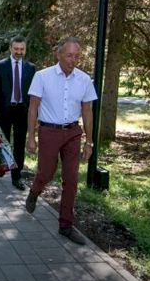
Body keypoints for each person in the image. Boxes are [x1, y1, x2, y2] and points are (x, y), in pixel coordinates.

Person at [24, 37, 97, 245]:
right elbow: (33, 108)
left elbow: (87, 111)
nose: (73, 60)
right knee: (46, 173)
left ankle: (65, 225)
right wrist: (31, 137)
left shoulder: (84, 79)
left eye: (76, 56)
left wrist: (89, 142)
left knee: (71, 179)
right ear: (58, 55)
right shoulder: (42, 76)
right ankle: (34, 191)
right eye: (69, 55)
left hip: (73, 133)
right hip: (49, 131)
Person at [0, 35, 36, 190]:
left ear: (25, 49)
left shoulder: (31, 68)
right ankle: (2, 166)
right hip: (4, 110)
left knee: (19, 144)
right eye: (16, 49)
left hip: (22, 110)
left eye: (22, 49)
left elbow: (35, 92)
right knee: (3, 142)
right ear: (10, 48)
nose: (19, 52)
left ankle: (16, 176)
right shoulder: (1, 65)